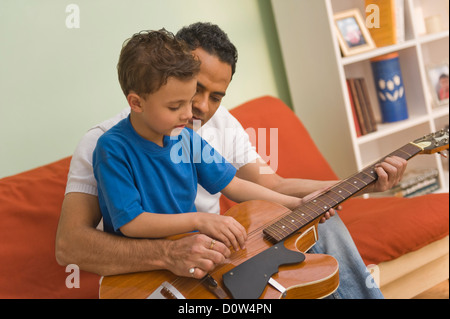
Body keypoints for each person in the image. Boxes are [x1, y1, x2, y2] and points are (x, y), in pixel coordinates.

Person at [55, 22, 407, 298]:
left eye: (214, 96)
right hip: (165, 268)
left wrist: (344, 188)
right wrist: (170, 250)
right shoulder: (104, 144)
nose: (199, 108)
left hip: (216, 258)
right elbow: (72, 245)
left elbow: (255, 185)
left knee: (319, 223)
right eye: (190, 95)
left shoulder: (189, 133)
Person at [92, 29, 303, 257]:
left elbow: (234, 185)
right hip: (144, 267)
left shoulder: (185, 137)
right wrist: (199, 220)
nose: (188, 114)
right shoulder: (111, 148)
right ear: (136, 103)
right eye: (175, 106)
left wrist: (295, 203)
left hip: (194, 256)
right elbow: (131, 223)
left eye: (188, 101)